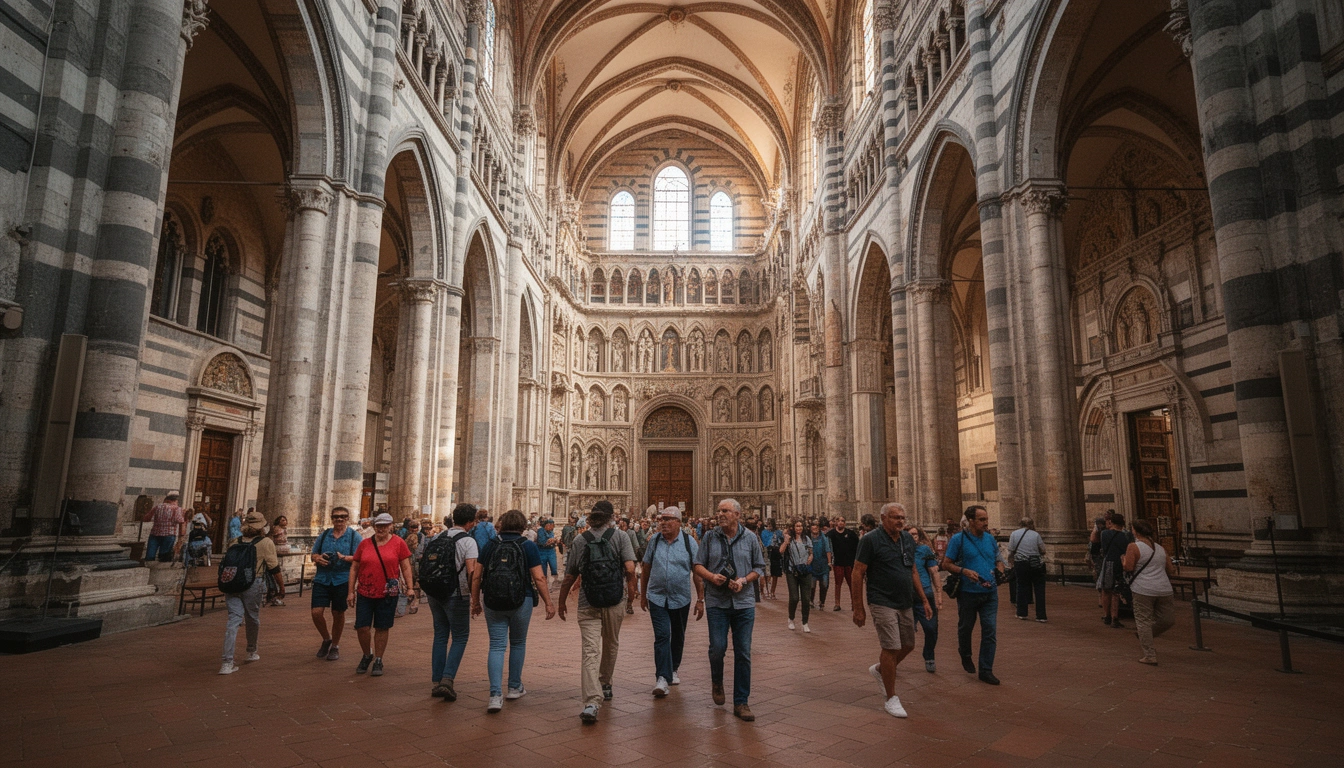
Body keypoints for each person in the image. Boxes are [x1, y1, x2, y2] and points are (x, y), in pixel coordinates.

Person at [558, 500, 638, 724]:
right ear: (612, 516)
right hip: (614, 600)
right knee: (611, 643)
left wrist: (561, 602)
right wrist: (631, 595)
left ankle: (592, 701)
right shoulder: (621, 536)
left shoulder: (579, 539)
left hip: (587, 601)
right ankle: (606, 683)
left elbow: (569, 576)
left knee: (590, 651)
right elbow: (630, 569)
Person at [851, 503, 933, 717]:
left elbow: (913, 569)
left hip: (905, 600)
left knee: (908, 645)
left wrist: (924, 598)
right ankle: (891, 698)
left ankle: (881, 670)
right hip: (881, 599)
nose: (900, 521)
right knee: (891, 647)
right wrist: (858, 607)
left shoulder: (906, 538)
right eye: (895, 517)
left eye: (902, 518)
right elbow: (858, 572)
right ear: (883, 518)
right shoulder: (870, 540)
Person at [472, 509, 557, 712]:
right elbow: (539, 577)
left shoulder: (490, 545)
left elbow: (476, 576)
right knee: (518, 643)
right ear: (522, 526)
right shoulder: (527, 545)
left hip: (492, 601)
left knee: (496, 645)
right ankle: (514, 686)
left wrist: (475, 601)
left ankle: (494, 695)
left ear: (501, 524)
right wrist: (548, 602)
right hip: (522, 599)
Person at [692, 498, 765, 721]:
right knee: (717, 648)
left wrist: (743, 580)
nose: (720, 514)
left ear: (737, 515)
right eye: (719, 510)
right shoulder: (709, 537)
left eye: (725, 511)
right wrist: (711, 577)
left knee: (743, 652)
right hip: (717, 602)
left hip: (743, 603)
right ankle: (717, 681)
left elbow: (759, 567)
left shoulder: (751, 538)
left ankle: (741, 702)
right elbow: (697, 565)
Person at [640, 507, 703, 697]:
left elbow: (697, 571)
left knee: (678, 635)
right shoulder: (654, 541)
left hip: (680, 597)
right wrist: (643, 595)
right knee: (662, 635)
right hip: (657, 596)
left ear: (678, 522)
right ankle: (661, 677)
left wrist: (700, 599)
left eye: (668, 519)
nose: (663, 523)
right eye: (661, 519)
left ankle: (673, 668)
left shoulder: (688, 541)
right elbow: (646, 568)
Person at [346, 512, 415, 678]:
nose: (381, 528)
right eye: (378, 525)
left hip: (387, 593)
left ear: (391, 526)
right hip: (365, 591)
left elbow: (405, 567)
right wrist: (350, 592)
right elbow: (354, 568)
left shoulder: (398, 543)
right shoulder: (365, 544)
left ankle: (378, 658)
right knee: (362, 626)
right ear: (374, 526)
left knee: (382, 627)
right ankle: (366, 654)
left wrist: (410, 587)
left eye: (385, 525)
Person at [942, 505, 1005, 685]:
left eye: (986, 519)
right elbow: (946, 563)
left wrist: (1000, 571)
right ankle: (965, 652)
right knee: (966, 627)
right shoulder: (958, 539)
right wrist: (964, 571)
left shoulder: (990, 539)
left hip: (990, 592)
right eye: (982, 520)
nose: (986, 523)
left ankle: (986, 669)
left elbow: (998, 559)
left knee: (990, 631)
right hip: (968, 593)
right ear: (971, 521)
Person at [424, 504, 480, 701]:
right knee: (460, 637)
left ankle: (436, 680)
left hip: (434, 592)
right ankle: (447, 680)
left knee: (440, 635)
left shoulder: (439, 537)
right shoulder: (468, 541)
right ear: (470, 522)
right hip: (457, 594)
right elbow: (472, 572)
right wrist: (475, 599)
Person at [219, 510, 280, 674]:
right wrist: (281, 587)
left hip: (231, 583)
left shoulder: (234, 541)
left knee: (233, 621)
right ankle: (251, 651)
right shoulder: (265, 542)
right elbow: (274, 567)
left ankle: (227, 663)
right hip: (253, 583)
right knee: (252, 617)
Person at [1124, 519, 1177, 665]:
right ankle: (1146, 639)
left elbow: (1128, 567)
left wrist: (1123, 560)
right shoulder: (1160, 548)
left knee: (1143, 622)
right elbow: (1170, 569)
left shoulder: (1133, 547)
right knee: (1167, 620)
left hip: (1143, 588)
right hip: (1164, 588)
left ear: (1135, 531)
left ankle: (1149, 654)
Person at [310, 506, 359, 662]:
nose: (339, 519)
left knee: (338, 613)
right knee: (316, 612)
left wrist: (344, 557)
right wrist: (318, 558)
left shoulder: (354, 536)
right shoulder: (324, 535)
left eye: (343, 517)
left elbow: (360, 558)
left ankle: (335, 645)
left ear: (347, 518)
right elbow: (313, 554)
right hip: (322, 578)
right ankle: (326, 638)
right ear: (331, 518)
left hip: (342, 579)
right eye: (336, 517)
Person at [907, 525, 942, 672]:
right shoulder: (899, 551)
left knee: (931, 628)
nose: (913, 537)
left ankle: (929, 655)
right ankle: (893, 657)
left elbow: (934, 572)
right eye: (910, 534)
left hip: (925, 594)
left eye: (915, 534)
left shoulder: (925, 550)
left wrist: (939, 594)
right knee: (905, 632)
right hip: (906, 596)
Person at [1008, 517, 1048, 622]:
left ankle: (1022, 613)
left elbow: (1011, 550)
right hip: (1035, 564)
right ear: (1031, 524)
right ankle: (1041, 615)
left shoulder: (1014, 534)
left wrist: (1011, 562)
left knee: (1021, 586)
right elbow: (1043, 550)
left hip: (1021, 563)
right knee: (1039, 589)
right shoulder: (1036, 535)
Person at [1096, 513, 1132, 628]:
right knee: (1116, 592)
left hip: (1108, 563)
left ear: (1111, 522)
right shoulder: (1127, 536)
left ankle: (1106, 615)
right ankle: (1114, 617)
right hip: (1120, 563)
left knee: (1106, 590)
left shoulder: (1104, 534)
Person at [780, 520, 813, 631]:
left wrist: (810, 557)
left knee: (806, 598)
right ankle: (791, 618)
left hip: (805, 570)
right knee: (794, 597)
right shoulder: (789, 539)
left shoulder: (806, 539)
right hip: (792, 571)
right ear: (793, 527)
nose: (799, 528)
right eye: (797, 526)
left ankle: (805, 622)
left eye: (801, 526)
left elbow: (811, 552)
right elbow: (781, 551)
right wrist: (785, 542)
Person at [827, 516, 859, 611]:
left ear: (845, 523)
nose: (841, 522)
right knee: (838, 584)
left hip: (849, 563)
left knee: (851, 583)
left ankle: (854, 603)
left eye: (843, 521)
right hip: (838, 563)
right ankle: (837, 603)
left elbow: (857, 547)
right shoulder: (831, 534)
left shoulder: (851, 534)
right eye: (839, 520)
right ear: (836, 522)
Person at [144, 491, 185, 563]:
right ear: (175, 500)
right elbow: (180, 521)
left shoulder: (157, 507)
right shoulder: (176, 509)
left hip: (155, 534)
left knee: (150, 555)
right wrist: (181, 536)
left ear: (166, 499)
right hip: (169, 535)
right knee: (164, 557)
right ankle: (161, 571)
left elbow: (146, 518)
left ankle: (148, 569)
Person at [809, 521, 833, 609]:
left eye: (816, 528)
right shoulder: (809, 538)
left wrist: (829, 562)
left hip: (823, 564)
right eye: (813, 528)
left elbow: (828, 550)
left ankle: (822, 602)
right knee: (812, 585)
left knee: (824, 584)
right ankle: (811, 600)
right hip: (812, 565)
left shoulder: (824, 538)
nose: (815, 530)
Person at [759, 519, 781, 600]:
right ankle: (766, 590)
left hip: (775, 553)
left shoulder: (778, 532)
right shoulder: (764, 532)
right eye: (768, 525)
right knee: (766, 573)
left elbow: (781, 539)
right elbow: (764, 542)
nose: (769, 527)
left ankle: (773, 591)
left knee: (775, 574)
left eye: (770, 525)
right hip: (766, 552)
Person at [536, 518, 560, 585]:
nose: (553, 527)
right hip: (542, 552)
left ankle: (555, 581)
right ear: (547, 525)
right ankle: (544, 583)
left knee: (554, 567)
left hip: (551, 551)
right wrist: (549, 541)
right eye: (552, 525)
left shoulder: (551, 532)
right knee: (543, 569)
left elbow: (553, 542)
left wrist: (555, 541)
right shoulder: (540, 531)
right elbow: (542, 542)